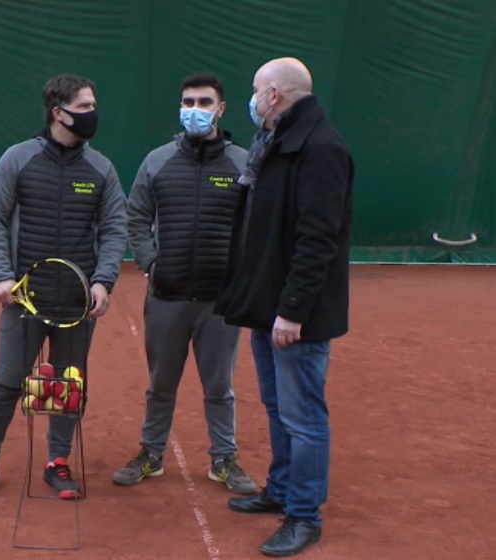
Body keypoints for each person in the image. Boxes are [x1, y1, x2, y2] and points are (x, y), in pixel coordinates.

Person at [0, 74, 127, 502]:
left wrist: (104, 281)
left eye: (93, 105)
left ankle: (58, 462)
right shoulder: (17, 160)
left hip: (76, 304)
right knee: (7, 383)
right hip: (23, 301)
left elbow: (114, 229)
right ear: (59, 112)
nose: (93, 114)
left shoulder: (101, 169)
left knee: (67, 385)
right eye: (85, 106)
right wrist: (0, 276)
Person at [215, 58, 354, 557]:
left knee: (303, 416)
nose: (252, 100)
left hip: (296, 316)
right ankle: (280, 491)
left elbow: (318, 240)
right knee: (278, 408)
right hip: (266, 307)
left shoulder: (321, 148)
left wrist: (293, 310)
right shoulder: (274, 143)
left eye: (255, 90)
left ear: (274, 95)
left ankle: (304, 515)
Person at [112, 72, 257, 495]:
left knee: (220, 387)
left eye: (204, 102)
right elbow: (135, 216)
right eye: (188, 101)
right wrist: (150, 261)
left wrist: (242, 271)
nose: (195, 109)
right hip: (166, 296)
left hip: (221, 302)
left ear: (221, 108)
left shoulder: (243, 163)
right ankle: (151, 454)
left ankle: (223, 459)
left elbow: (258, 222)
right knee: (161, 384)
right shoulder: (157, 161)